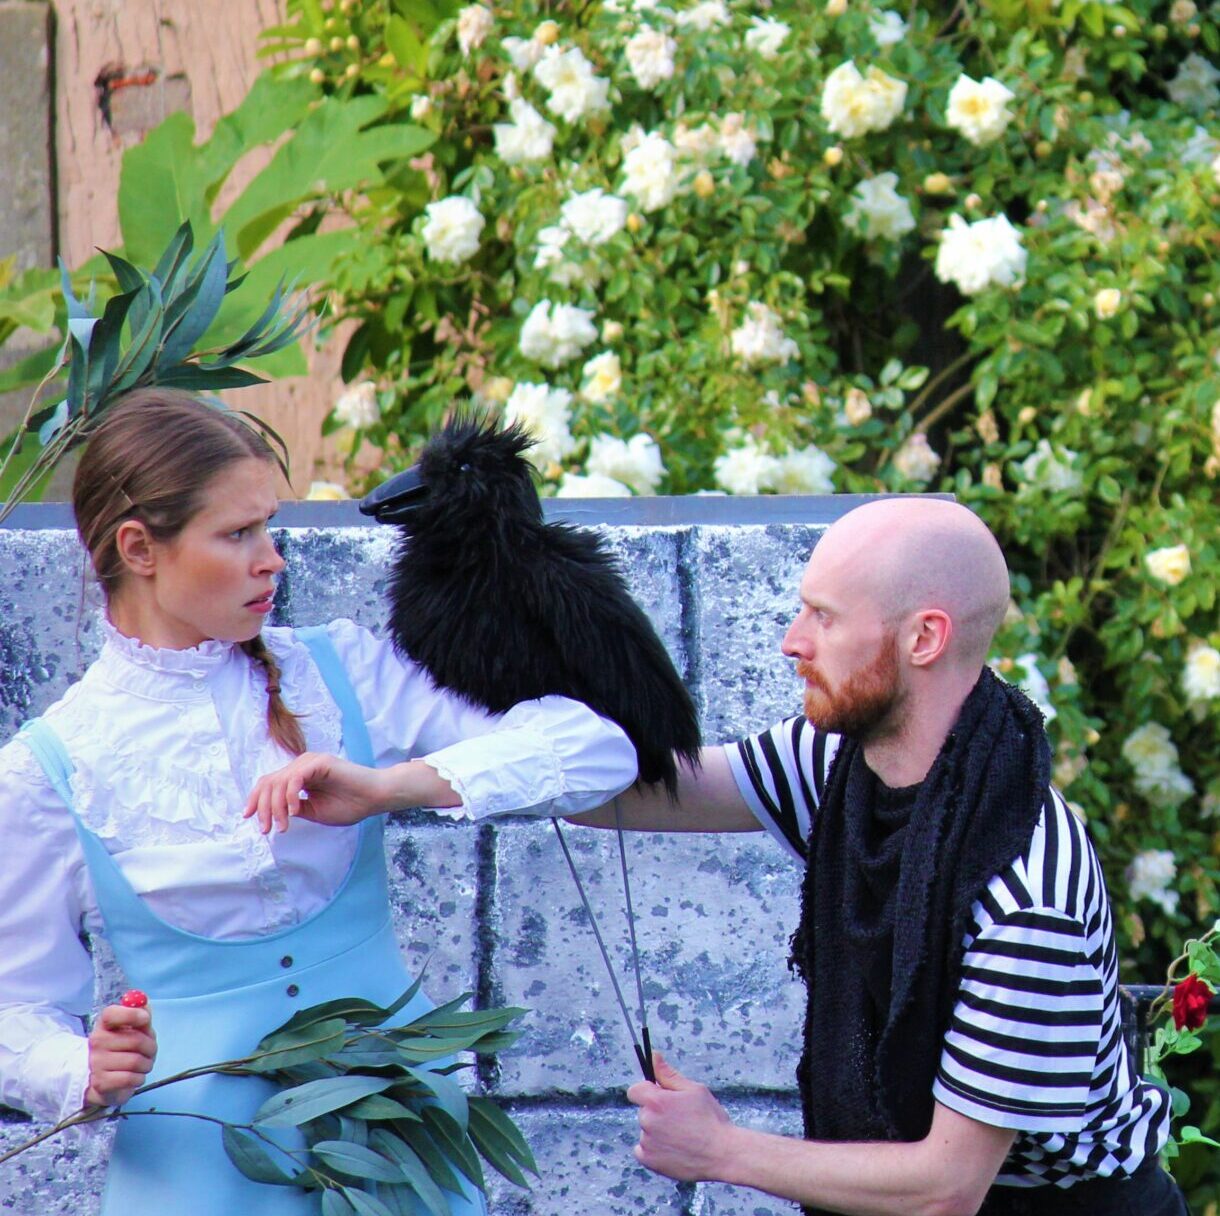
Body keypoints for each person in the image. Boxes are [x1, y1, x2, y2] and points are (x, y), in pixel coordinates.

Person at [0, 388, 637, 1215]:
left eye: (270, 527)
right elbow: (15, 1007)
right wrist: (81, 1069)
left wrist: (392, 788)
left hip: (401, 1147)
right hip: (199, 1172)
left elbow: (597, 746)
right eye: (239, 534)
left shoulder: (343, 673)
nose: (273, 559)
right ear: (139, 548)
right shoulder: (50, 769)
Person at [571, 497, 1186, 1216]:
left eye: (824, 617)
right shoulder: (838, 763)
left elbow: (946, 1188)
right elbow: (632, 794)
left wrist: (720, 1150)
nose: (792, 642)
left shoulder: (1026, 896)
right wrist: (479, 727)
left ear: (924, 638)